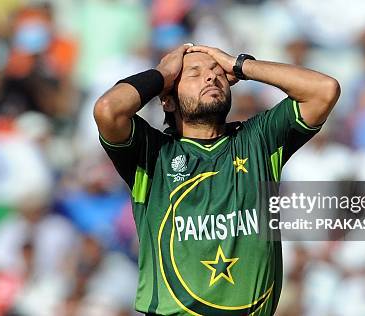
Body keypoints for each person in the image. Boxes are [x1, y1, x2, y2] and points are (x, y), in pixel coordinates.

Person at [93, 43, 340, 315]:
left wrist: (240, 65)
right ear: (168, 100)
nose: (210, 77)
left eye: (216, 71)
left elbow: (324, 90)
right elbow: (108, 109)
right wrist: (163, 73)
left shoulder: (258, 141)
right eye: (194, 74)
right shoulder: (152, 153)